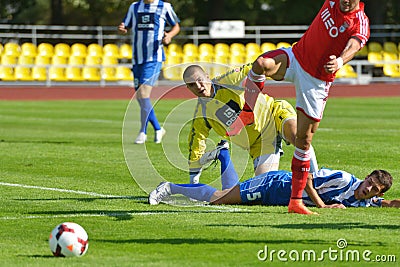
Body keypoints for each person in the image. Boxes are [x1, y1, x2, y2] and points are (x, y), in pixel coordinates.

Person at [226, 0, 370, 214]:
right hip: (296, 57)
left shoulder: (359, 21)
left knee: (303, 142)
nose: (345, 1)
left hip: (316, 81)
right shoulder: (332, 3)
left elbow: (355, 45)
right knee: (261, 64)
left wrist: (340, 61)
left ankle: (296, 201)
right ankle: (248, 113)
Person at [183, 64, 319, 185]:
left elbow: (257, 68)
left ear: (207, 76)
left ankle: (318, 181)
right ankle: (302, 187)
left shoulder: (228, 80)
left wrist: (295, 68)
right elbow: (196, 144)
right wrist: (193, 183)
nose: (198, 87)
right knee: (264, 187)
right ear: (188, 88)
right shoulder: (201, 114)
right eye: (192, 84)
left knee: (298, 138)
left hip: (273, 114)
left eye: (200, 80)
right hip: (259, 144)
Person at [149, 144, 399, 209]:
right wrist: (324, 206)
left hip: (277, 197)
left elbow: (388, 204)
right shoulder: (343, 179)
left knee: (230, 193)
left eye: (374, 189)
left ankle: (224, 155)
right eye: (369, 183)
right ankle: (169, 187)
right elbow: (308, 179)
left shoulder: (363, 201)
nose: (368, 190)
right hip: (275, 184)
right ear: (365, 177)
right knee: (216, 199)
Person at [118, 0, 180, 144]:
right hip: (137, 58)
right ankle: (158, 129)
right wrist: (122, 28)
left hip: (154, 58)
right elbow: (125, 25)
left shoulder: (164, 7)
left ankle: (142, 132)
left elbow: (176, 26)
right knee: (140, 96)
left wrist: (169, 35)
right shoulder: (134, 7)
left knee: (144, 94)